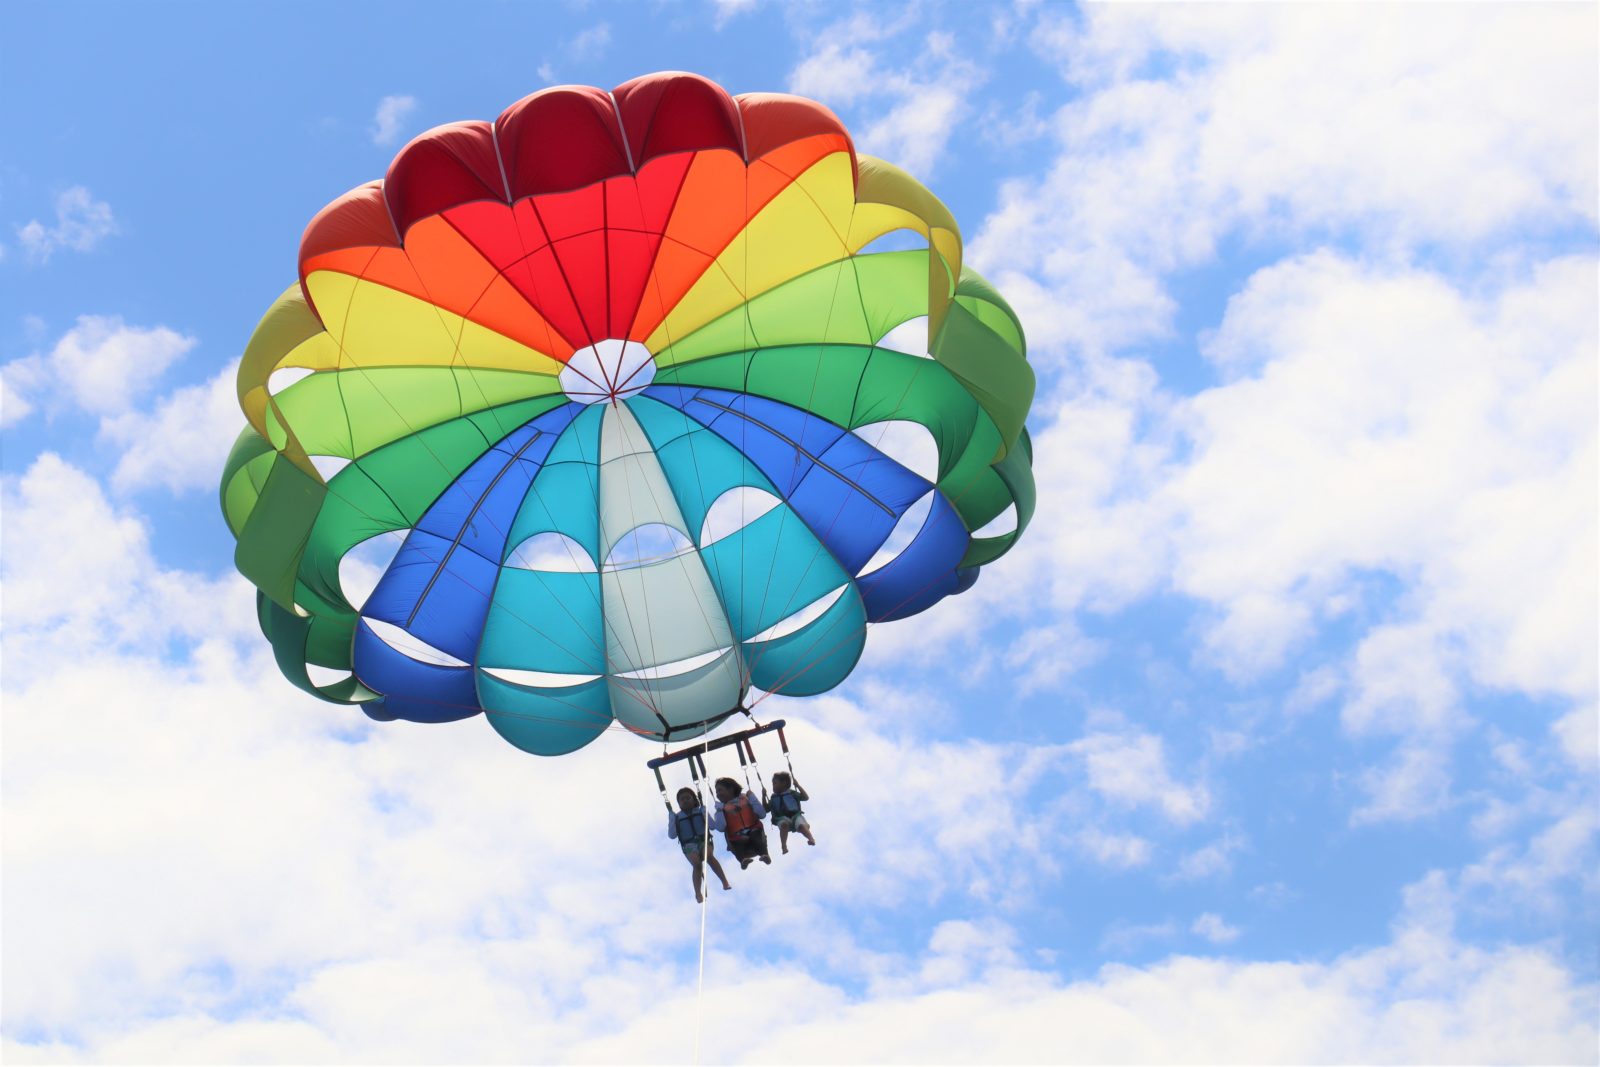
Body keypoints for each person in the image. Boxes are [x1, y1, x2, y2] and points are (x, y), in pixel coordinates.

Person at [667, 786, 731, 902]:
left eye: (688, 798)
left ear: (694, 799)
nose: (685, 800)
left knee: (709, 857)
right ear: (679, 803)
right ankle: (698, 893)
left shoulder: (700, 811)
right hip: (689, 845)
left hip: (704, 841)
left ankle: (724, 881)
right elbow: (672, 835)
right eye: (682, 799)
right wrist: (671, 819)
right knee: (697, 865)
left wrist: (705, 813)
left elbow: (712, 826)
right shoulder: (677, 817)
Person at [712, 777, 771, 869]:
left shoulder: (746, 798)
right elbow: (720, 828)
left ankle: (765, 855)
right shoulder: (722, 808)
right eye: (716, 792)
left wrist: (753, 797)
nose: (718, 794)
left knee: (755, 833)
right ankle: (742, 860)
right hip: (738, 839)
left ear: (731, 789)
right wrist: (719, 810)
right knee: (738, 840)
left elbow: (762, 814)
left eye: (720, 790)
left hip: (755, 833)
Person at [768, 771, 815, 853]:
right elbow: (766, 809)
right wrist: (763, 796)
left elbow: (805, 797)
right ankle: (784, 846)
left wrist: (798, 786)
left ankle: (811, 838)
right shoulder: (773, 798)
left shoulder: (792, 793)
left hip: (795, 815)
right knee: (784, 825)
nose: (773, 786)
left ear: (784, 784)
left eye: (775, 783)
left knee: (801, 825)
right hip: (781, 818)